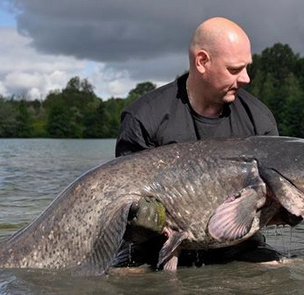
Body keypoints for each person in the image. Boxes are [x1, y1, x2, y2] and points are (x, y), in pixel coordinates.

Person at [113, 17, 281, 269]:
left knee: (279, 272)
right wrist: (138, 220)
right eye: (235, 69)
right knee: (125, 279)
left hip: (237, 246)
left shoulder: (258, 118)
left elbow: (275, 199)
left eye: (247, 67)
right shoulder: (144, 117)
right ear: (202, 61)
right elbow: (121, 208)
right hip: (153, 249)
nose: (246, 78)